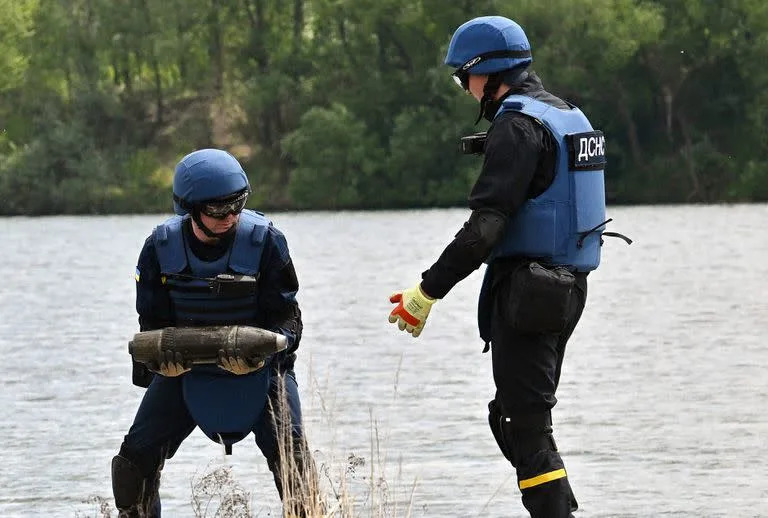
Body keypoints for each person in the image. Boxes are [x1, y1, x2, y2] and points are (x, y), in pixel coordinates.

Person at [388, 16, 628, 518]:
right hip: (565, 289)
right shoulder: (565, 115)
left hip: (530, 297)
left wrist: (427, 291)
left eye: (463, 77)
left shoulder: (517, 127)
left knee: (526, 425)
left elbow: (485, 230)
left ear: (487, 73)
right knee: (513, 417)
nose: (463, 86)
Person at [112, 148, 318, 517]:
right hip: (184, 370)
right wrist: (161, 366)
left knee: (296, 464)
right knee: (131, 465)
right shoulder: (159, 249)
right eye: (219, 210)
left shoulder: (267, 241)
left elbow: (290, 323)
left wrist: (265, 356)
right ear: (190, 209)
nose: (231, 217)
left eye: (237, 205)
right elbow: (151, 327)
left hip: (261, 368)